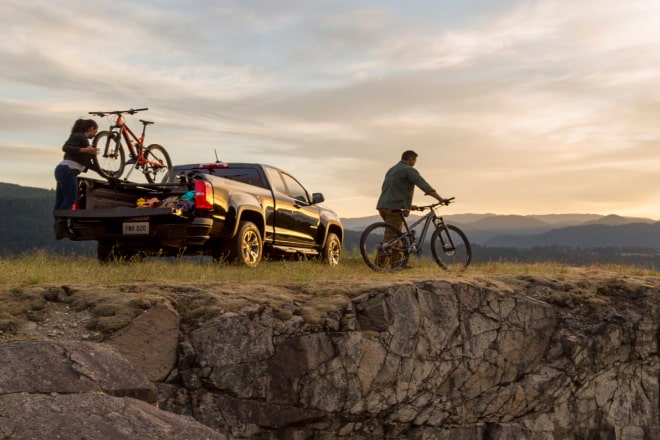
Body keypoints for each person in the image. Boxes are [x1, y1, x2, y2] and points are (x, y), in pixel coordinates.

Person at [375, 150, 448, 267]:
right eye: (414, 160)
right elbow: (424, 185)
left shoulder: (392, 169)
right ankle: (378, 265)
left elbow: (395, 188)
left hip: (383, 205)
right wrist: (440, 199)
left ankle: (397, 263)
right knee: (390, 237)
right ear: (411, 159)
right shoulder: (409, 170)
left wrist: (408, 205)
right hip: (394, 206)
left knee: (396, 235)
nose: (415, 163)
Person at [53, 118, 98, 239]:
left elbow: (88, 164)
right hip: (68, 170)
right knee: (71, 197)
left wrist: (108, 173)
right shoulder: (79, 136)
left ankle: (58, 226)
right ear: (91, 128)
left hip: (64, 170)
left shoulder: (82, 140)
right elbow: (66, 147)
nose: (95, 135)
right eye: (95, 131)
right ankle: (61, 227)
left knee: (61, 200)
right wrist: (86, 150)